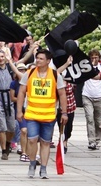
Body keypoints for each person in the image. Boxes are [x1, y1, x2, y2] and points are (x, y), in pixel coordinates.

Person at [16, 49, 67, 179]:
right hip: (32, 114)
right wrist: (19, 111)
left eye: (41, 59)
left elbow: (62, 94)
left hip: (49, 116)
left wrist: (64, 113)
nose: (37, 60)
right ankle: (32, 164)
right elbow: (21, 92)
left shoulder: (55, 75)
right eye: (37, 58)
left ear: (48, 61)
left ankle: (43, 169)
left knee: (45, 142)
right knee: (32, 140)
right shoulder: (30, 73)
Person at [82, 50, 101, 150]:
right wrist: (90, 66)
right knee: (89, 118)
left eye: (96, 57)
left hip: (99, 97)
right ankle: (91, 141)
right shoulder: (86, 67)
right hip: (87, 95)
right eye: (92, 57)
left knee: (98, 121)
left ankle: (97, 140)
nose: (94, 59)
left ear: (99, 58)